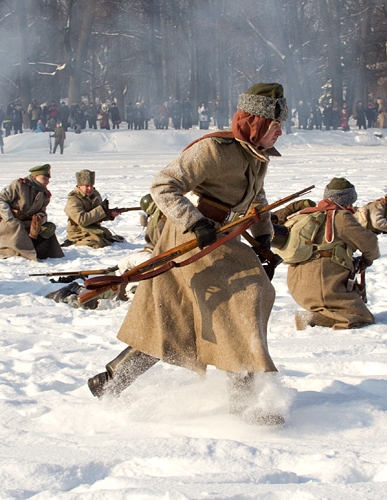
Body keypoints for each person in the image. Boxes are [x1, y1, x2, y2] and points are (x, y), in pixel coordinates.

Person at [86, 82, 290, 425]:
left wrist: (264, 238)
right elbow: (163, 185)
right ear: (255, 122)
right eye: (275, 125)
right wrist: (195, 223)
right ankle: (243, 405)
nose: (281, 132)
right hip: (189, 238)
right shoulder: (214, 149)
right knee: (245, 298)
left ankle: (112, 380)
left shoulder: (255, 156)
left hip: (220, 238)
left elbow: (256, 199)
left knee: (174, 322)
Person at [280, 178, 380, 330]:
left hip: (299, 285)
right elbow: (370, 243)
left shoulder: (304, 215)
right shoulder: (340, 217)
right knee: (361, 317)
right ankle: (311, 319)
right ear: (347, 199)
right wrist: (368, 259)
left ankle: (316, 314)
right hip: (323, 285)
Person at [0, 164, 63, 261]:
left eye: (48, 179)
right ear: (35, 177)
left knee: (49, 228)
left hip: (29, 224)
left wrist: (40, 218)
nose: (47, 182)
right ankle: (17, 251)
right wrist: (10, 218)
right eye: (44, 178)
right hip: (12, 223)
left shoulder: (45, 194)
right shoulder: (19, 185)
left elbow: (43, 211)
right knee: (17, 230)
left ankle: (34, 249)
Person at [63, 169, 125, 248]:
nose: (90, 188)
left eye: (91, 185)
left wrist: (110, 214)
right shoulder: (73, 199)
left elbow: (96, 216)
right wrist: (102, 210)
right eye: (87, 186)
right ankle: (75, 242)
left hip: (93, 228)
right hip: (78, 231)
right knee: (98, 242)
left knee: (112, 238)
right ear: (79, 186)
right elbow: (82, 220)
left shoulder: (95, 195)